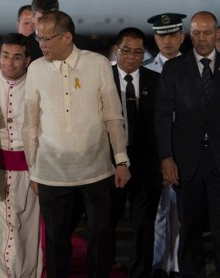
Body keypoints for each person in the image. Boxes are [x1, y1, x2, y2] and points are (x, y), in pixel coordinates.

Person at [22, 10, 131, 278]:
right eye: (38, 38)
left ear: (67, 37)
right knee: (57, 242)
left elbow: (113, 116)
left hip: (96, 170)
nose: (41, 44)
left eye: (47, 38)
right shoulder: (35, 68)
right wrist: (33, 168)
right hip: (50, 173)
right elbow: (30, 124)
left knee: (101, 236)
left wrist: (121, 159)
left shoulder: (97, 64)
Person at [155, 11, 220, 277]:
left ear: (217, 33)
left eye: (207, 32)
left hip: (219, 163)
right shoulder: (173, 68)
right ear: (189, 35)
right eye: (196, 32)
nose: (202, 38)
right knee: (190, 231)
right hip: (185, 164)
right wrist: (166, 157)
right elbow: (161, 116)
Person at [0, 33, 42, 278]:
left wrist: (39, 172)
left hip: (29, 171)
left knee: (27, 230)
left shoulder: (37, 84)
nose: (9, 62)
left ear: (27, 60)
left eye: (17, 57)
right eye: (5, 56)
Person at [110, 27, 161, 278]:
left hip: (146, 164)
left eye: (138, 52)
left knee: (144, 225)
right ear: (116, 50)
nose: (131, 56)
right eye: (126, 50)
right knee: (105, 224)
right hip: (109, 163)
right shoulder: (102, 78)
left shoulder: (155, 80)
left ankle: (140, 272)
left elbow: (162, 126)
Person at [145, 13, 186, 278]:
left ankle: (176, 266)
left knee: (181, 214)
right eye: (162, 35)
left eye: (172, 35)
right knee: (157, 212)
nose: (167, 41)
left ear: (182, 37)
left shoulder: (195, 68)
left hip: (188, 151)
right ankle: (157, 265)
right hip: (154, 153)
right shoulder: (146, 70)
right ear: (155, 38)